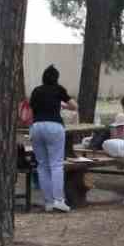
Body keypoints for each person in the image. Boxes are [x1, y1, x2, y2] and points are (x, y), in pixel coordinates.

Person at [28, 65, 77, 212]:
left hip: (36, 127)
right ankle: (59, 200)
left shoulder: (36, 90)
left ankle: (48, 202)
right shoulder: (59, 89)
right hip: (54, 127)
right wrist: (62, 105)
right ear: (56, 78)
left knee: (42, 166)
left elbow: (31, 109)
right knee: (56, 165)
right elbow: (75, 106)